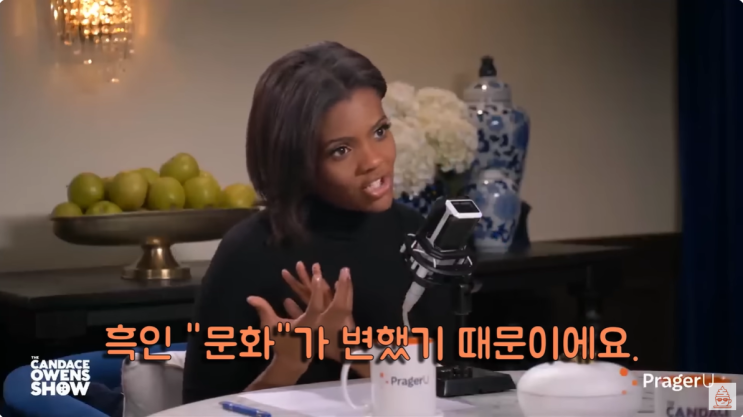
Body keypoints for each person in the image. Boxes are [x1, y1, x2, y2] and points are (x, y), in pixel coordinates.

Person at [182, 41, 455, 404]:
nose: (374, 160)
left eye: (379, 131)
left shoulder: (418, 236)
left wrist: (348, 348)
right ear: (296, 162)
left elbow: (449, 394)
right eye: (341, 150)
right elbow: (198, 411)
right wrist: (288, 363)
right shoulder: (247, 254)